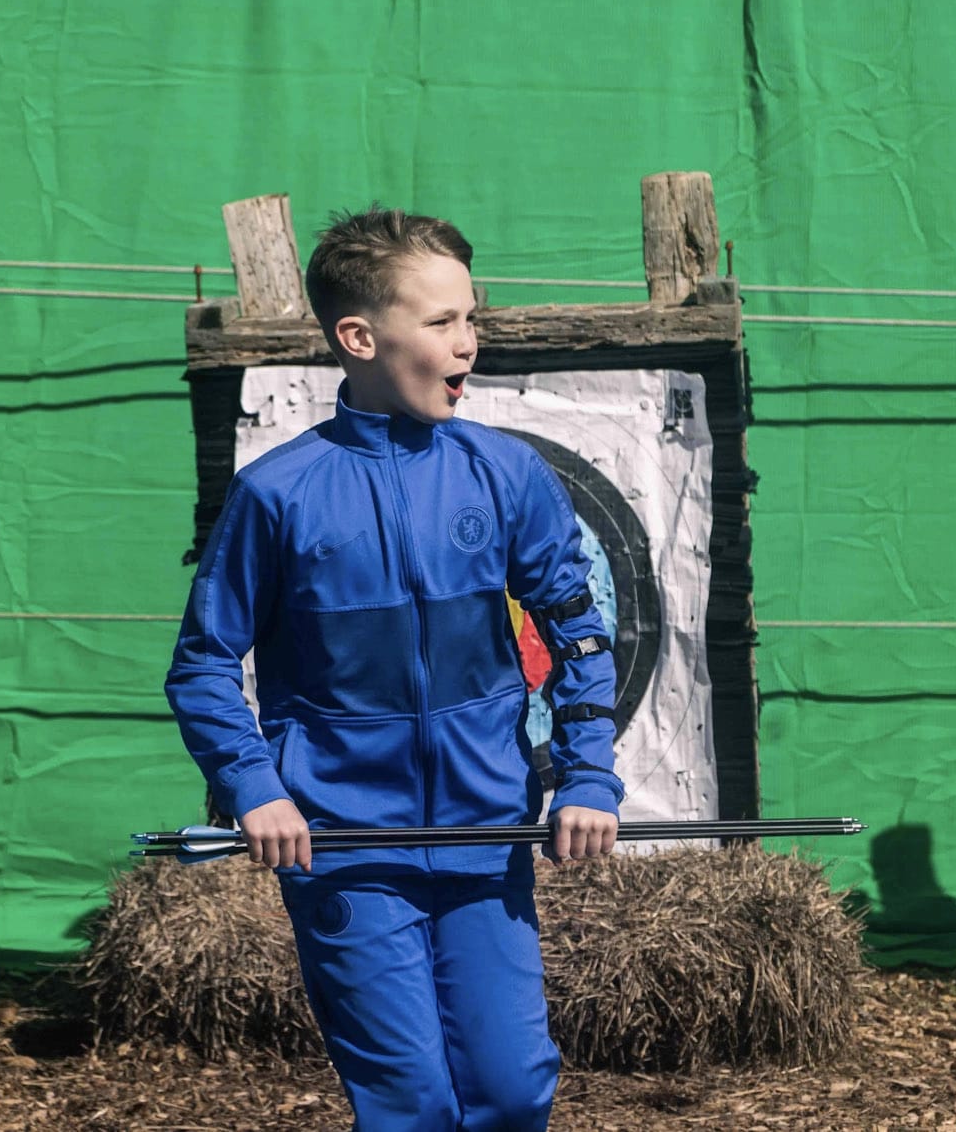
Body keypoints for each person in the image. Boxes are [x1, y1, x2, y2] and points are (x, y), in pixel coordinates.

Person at [165, 205, 624, 1131]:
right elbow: (205, 664)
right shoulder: (276, 494)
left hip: (486, 842)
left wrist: (588, 776)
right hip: (344, 855)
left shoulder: (507, 474)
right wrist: (257, 789)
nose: (470, 343)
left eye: (472, 318)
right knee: (409, 1103)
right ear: (359, 337)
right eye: (443, 322)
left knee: (512, 1089)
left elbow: (578, 633)